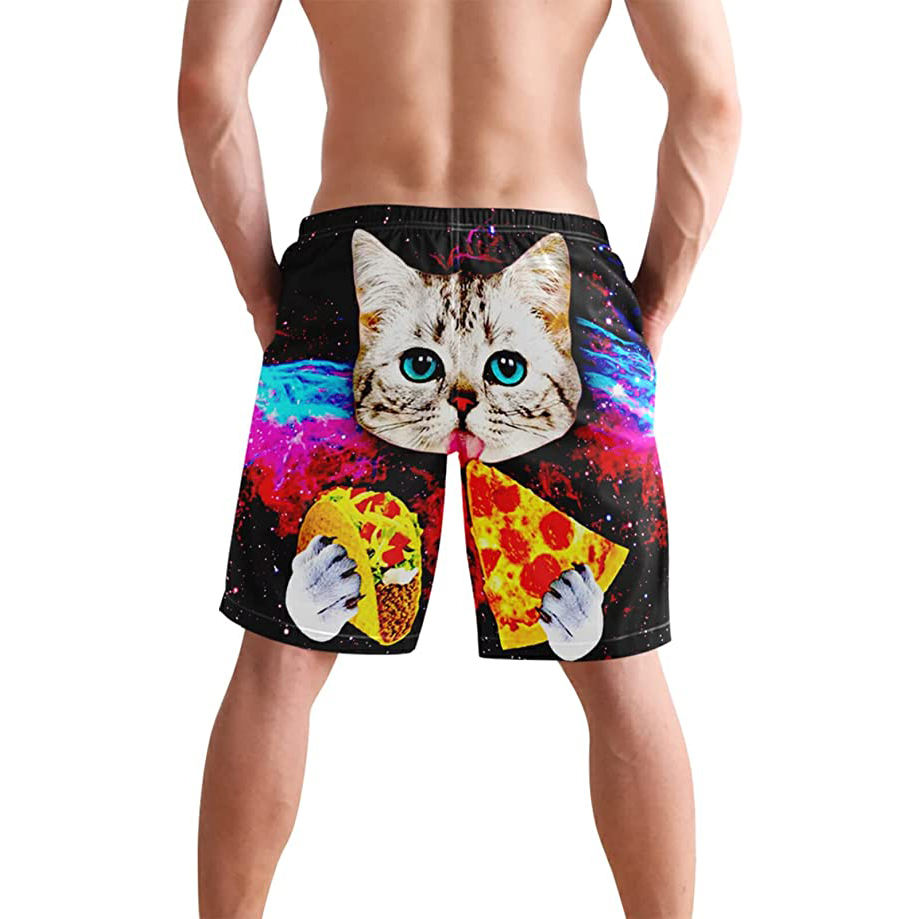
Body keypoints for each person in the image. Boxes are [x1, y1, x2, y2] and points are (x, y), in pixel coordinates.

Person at [178, 1, 740, 915]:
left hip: (356, 272)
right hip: (552, 275)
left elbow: (208, 87)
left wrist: (263, 293)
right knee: (617, 655)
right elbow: (709, 99)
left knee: (280, 652)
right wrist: (653, 308)